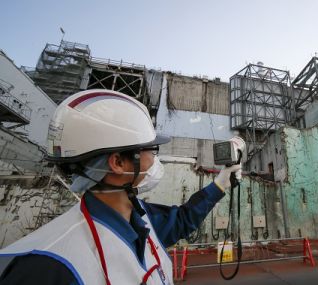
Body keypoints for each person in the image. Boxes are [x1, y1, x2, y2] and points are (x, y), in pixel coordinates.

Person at [0, 89, 240, 285]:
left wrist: (221, 183)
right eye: (150, 150)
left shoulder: (139, 217)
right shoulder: (45, 267)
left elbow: (182, 220)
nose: (154, 159)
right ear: (117, 163)